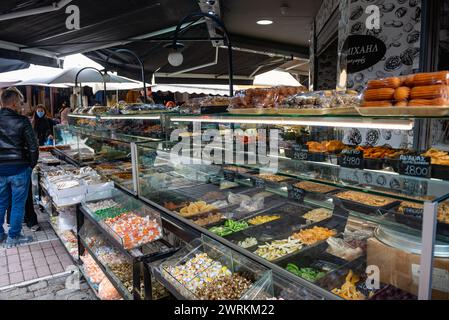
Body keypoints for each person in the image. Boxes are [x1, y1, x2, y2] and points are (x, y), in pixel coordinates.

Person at [0, 87, 39, 247]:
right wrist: (31, 165)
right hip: (19, 168)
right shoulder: (22, 121)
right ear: (15, 103)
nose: (21, 105)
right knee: (17, 204)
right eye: (20, 102)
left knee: (1, 202)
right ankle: (13, 237)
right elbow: (33, 147)